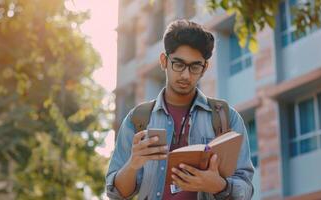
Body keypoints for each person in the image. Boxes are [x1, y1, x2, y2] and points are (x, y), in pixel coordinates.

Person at [106, 19, 254, 200]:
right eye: (178, 64)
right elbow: (116, 193)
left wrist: (218, 185)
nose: (186, 75)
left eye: (195, 66)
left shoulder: (226, 117)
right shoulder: (138, 118)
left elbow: (246, 189)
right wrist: (133, 163)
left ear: (205, 67)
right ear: (164, 61)